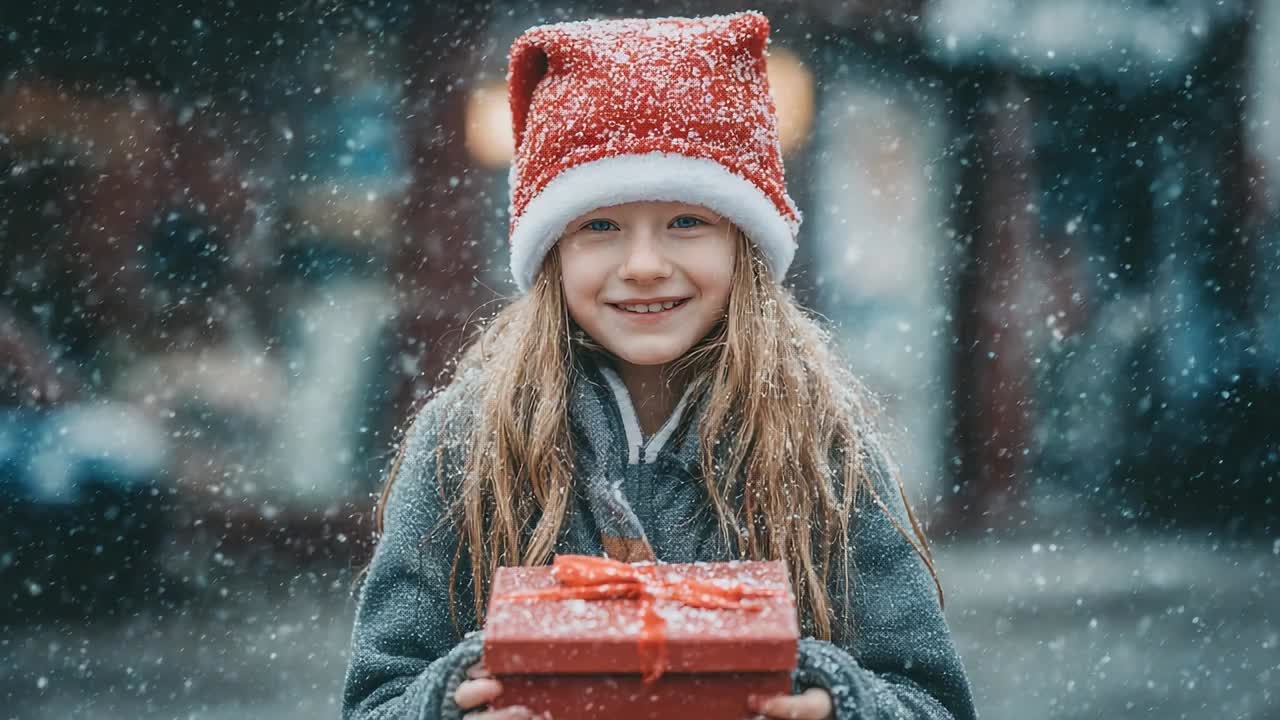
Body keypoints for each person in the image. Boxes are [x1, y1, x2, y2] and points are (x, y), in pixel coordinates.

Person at [342, 12, 976, 720]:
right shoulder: (463, 443)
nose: (644, 266)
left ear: (744, 243)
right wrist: (454, 699)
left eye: (686, 221)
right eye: (600, 226)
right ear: (552, 254)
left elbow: (932, 702)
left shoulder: (827, 446)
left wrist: (836, 700)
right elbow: (376, 699)